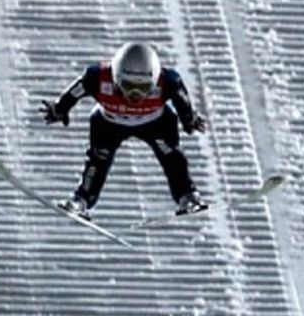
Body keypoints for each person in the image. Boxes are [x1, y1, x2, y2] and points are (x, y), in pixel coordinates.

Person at [39, 42, 208, 220]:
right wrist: (60, 109)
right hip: (109, 122)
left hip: (155, 122)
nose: (135, 94)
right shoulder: (97, 77)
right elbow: (75, 92)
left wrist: (189, 120)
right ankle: (81, 199)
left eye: (143, 87)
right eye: (128, 85)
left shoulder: (168, 82)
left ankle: (188, 196)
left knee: (172, 157)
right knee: (98, 161)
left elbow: (182, 101)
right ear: (116, 77)